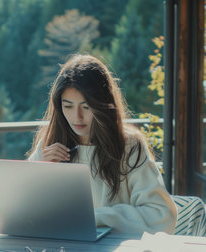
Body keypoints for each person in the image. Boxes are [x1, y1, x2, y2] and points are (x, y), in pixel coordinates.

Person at [28, 54, 177, 234]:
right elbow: (26, 212)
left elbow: (161, 215)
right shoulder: (50, 144)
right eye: (68, 106)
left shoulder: (129, 145)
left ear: (102, 104)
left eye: (86, 106)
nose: (77, 117)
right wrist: (43, 172)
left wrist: (97, 218)